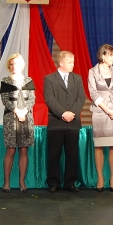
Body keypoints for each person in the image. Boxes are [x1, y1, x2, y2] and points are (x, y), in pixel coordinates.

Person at [43, 51, 86, 193]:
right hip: (56, 123)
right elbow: (49, 99)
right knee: (54, 155)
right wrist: (63, 113)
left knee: (72, 155)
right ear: (61, 63)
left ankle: (70, 182)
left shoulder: (77, 78)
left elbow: (81, 98)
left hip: (73, 123)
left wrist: (72, 113)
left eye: (73, 62)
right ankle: (53, 182)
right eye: (70, 62)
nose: (73, 65)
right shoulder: (49, 79)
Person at [87, 45, 113, 193]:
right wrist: (107, 110)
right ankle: (100, 178)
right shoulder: (92, 72)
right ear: (103, 56)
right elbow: (93, 93)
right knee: (99, 146)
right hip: (100, 112)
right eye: (111, 55)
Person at [0, 54, 35, 193]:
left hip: (26, 117)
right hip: (10, 118)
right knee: (10, 150)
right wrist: (17, 111)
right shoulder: (5, 81)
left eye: (17, 64)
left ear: (22, 65)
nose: (14, 66)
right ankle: (6, 182)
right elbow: (5, 100)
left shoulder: (28, 80)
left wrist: (24, 111)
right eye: (12, 64)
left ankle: (22, 181)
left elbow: (32, 99)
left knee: (24, 150)